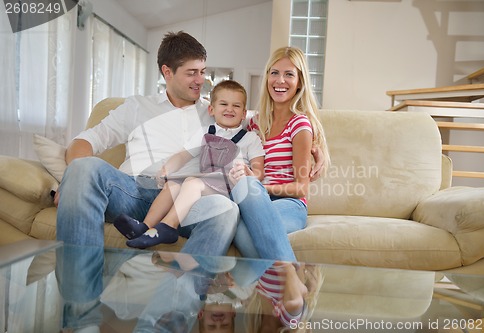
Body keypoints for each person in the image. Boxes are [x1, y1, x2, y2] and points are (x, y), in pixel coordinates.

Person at [54, 31, 240, 332]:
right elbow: (85, 142)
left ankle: (161, 325)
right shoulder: (137, 107)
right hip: (131, 191)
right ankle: (80, 321)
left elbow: (257, 127)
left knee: (225, 210)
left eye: (203, 72)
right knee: (83, 169)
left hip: (184, 201)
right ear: (167, 71)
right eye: (191, 72)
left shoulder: (216, 111)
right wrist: (71, 179)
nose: (200, 80)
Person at [114, 80, 265, 249]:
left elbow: (259, 170)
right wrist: (167, 168)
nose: (230, 109)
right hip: (203, 188)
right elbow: (182, 155)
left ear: (244, 113)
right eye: (224, 104)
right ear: (211, 109)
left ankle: (168, 227)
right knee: (172, 184)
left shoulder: (250, 138)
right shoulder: (205, 132)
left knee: (192, 181)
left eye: (236, 106)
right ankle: (144, 227)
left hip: (230, 191)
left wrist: (248, 173)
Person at [231, 46, 330, 262]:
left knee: (244, 233)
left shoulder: (300, 125)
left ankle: (286, 284)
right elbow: (221, 116)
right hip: (255, 200)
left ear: (300, 82)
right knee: (238, 227)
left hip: (289, 203)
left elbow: (300, 187)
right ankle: (290, 287)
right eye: (274, 73)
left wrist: (258, 188)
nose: (280, 81)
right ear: (267, 77)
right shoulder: (254, 123)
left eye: (289, 74)